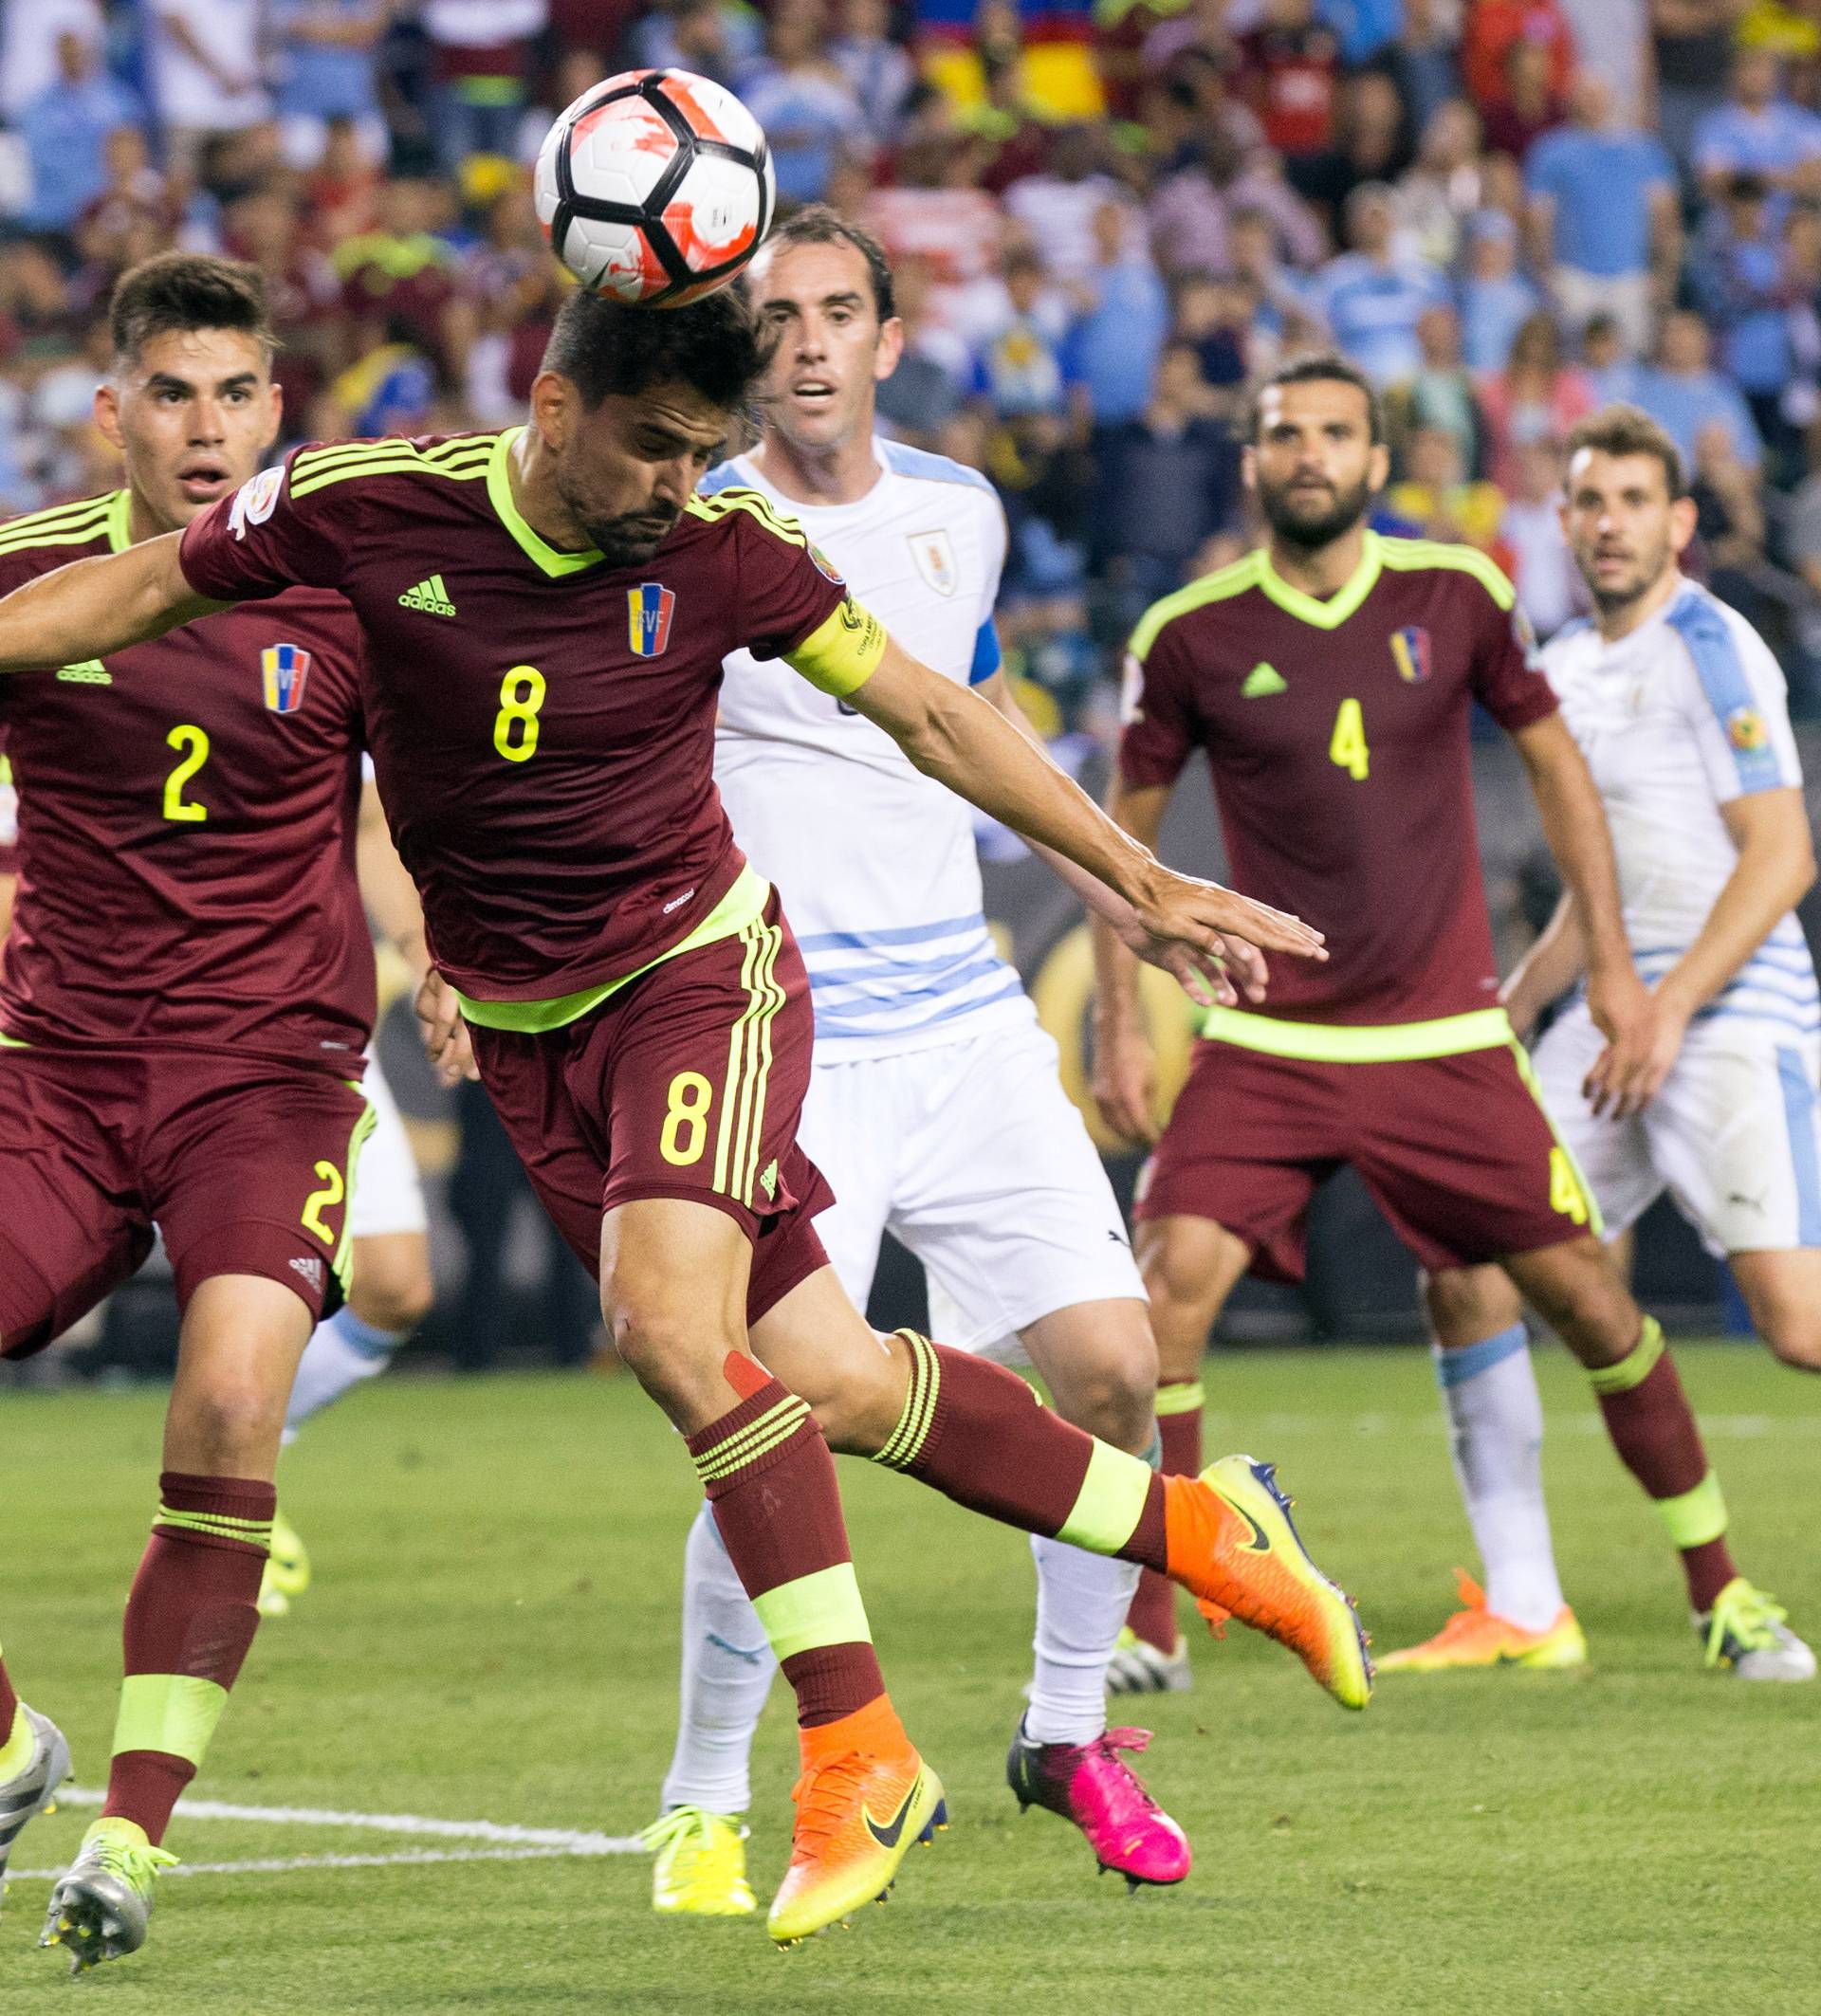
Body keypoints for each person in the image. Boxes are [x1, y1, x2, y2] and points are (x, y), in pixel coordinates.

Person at [0, 278, 1369, 1958]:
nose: (679, 484)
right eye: (654, 448)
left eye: (703, 454)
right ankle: (1205, 1526)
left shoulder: (727, 552)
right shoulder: (367, 510)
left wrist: (1138, 874)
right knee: (833, 1378)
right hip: (519, 1032)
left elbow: (937, 709)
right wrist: (436, 942)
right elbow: (121, 601)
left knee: (667, 1329)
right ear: (556, 408)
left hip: (693, 978)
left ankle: (857, 1744)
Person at [1092, 352, 1801, 1687]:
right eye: (1283, 432)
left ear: (1377, 462)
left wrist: (1606, 967)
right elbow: (1117, 837)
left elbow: (1560, 776)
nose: (1308, 452)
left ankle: (1723, 1588)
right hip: (1270, 1039)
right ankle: (1151, 1622)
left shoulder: (1459, 596)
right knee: (1161, 1301)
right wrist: (1117, 1021)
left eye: (1335, 434)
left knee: (1591, 1301)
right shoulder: (1187, 633)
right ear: (1248, 462)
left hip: (1443, 1038)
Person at [648, 209, 1199, 1917]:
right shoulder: (690, 525)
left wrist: (1134, 891)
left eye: (838, 312)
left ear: (891, 337)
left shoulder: (962, 512)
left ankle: (1063, 1732)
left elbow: (974, 726)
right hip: (785, 1027)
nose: (807, 343)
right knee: (781, 1408)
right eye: (776, 317)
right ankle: (698, 1794)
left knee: (1117, 1366)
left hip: (963, 1013)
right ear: (743, 351)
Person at [0, 252, 438, 1966]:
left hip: (268, 1086)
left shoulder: (349, 589)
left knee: (234, 1398)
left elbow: (418, 809)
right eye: (170, 394)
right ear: (112, 412)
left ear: (278, 410)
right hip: (58, 1080)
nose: (204, 426)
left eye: (235, 393)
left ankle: (128, 1831)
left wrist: (447, 954)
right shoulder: (34, 574)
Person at [1392, 407, 1818, 1681]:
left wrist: (1672, 1002)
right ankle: (1525, 1601)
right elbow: (1597, 888)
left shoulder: (1714, 643)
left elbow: (1784, 852)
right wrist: (1513, 1003)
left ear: (1679, 523)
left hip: (1730, 1015)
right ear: (1564, 521)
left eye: (1637, 499)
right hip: (1608, 1022)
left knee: (1797, 1325)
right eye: (1591, 501)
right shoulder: (1564, 667)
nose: (1612, 521)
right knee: (1465, 1256)